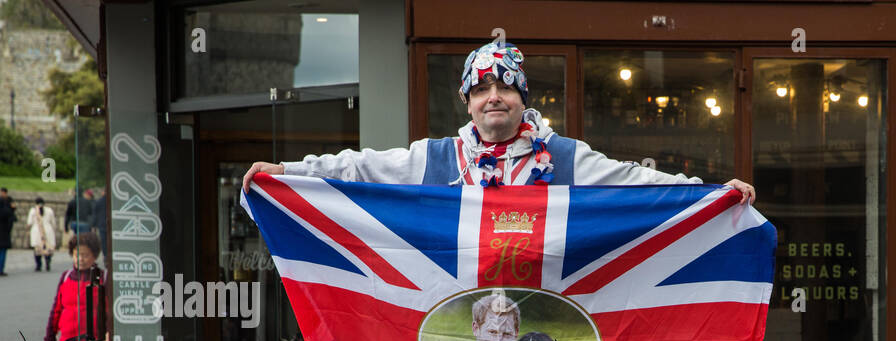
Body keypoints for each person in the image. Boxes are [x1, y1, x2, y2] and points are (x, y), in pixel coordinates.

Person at [242, 39, 755, 200]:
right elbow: (360, 168)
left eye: (505, 87)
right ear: (466, 101)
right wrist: (290, 171)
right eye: (482, 88)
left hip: (543, 332)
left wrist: (711, 194)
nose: (494, 97)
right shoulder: (435, 158)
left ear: (522, 97)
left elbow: (639, 182)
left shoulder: (567, 157)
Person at [27, 197, 57, 271]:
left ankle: (38, 265)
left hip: (37, 230)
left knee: (37, 249)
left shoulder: (33, 211)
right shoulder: (49, 210)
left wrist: (27, 230)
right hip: (48, 230)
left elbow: (29, 222)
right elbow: (53, 222)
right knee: (48, 247)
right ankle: (48, 261)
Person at [0, 187, 15, 276]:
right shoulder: (7, 211)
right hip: (4, 234)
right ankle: (1, 269)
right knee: (2, 252)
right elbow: (11, 220)